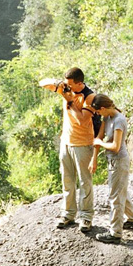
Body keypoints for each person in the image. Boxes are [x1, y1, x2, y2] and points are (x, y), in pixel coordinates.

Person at [39, 67, 100, 232]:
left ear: (79, 83)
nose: (67, 87)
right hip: (66, 142)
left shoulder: (89, 96)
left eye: (70, 84)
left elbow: (82, 120)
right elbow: (42, 82)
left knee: (84, 182)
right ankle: (68, 214)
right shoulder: (66, 88)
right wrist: (58, 84)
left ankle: (86, 217)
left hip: (83, 144)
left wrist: (70, 100)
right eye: (66, 84)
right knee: (67, 180)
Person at [89, 94, 133, 244]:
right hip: (111, 160)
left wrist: (101, 142)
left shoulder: (119, 120)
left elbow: (116, 147)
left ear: (103, 108)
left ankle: (115, 233)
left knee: (115, 196)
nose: (98, 115)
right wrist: (94, 159)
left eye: (98, 112)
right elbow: (98, 138)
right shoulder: (107, 118)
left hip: (119, 160)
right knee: (120, 191)